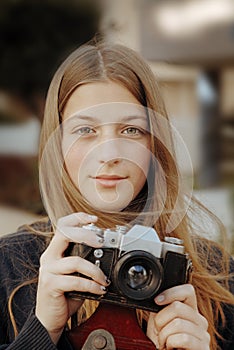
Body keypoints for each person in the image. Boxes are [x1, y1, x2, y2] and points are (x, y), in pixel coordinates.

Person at [0, 39, 233, 350]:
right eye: (85, 130)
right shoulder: (9, 266)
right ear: (57, 145)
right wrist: (43, 330)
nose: (108, 153)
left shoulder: (218, 273)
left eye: (130, 130)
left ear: (155, 144)